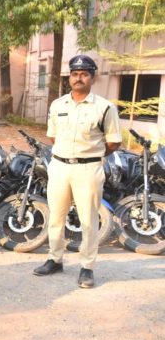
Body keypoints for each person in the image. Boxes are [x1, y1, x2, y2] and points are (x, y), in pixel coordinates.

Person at [33, 55, 121, 288]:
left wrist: (91, 156)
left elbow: (114, 142)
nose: (78, 78)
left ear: (93, 78)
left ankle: (87, 267)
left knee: (88, 220)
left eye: (84, 74)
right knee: (56, 216)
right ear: (69, 77)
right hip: (59, 166)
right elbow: (53, 137)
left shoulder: (105, 108)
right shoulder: (57, 105)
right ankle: (55, 259)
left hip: (88, 169)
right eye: (74, 74)